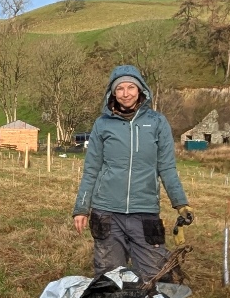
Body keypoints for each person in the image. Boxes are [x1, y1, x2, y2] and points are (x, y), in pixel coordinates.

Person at [72, 64, 190, 280]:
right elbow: (91, 169)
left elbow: (167, 167)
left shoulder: (157, 122)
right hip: (106, 212)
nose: (125, 94)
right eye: (120, 88)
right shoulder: (102, 124)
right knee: (109, 277)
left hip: (145, 210)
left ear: (140, 90)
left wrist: (180, 203)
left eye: (130, 87)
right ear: (112, 93)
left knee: (156, 276)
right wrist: (81, 208)